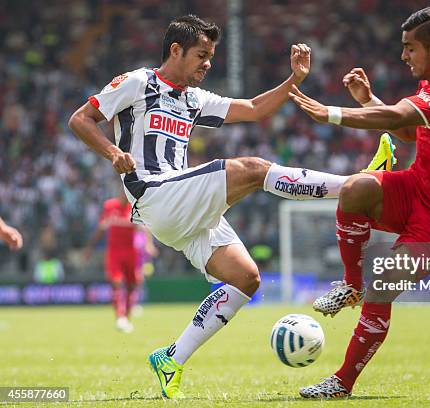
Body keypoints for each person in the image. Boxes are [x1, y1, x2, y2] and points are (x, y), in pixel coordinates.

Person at [68, 15, 393, 399]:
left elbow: (254, 108)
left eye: (211, 56)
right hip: (155, 195)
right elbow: (81, 119)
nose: (208, 64)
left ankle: (172, 358)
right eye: (201, 55)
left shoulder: (193, 99)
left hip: (182, 206)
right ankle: (358, 184)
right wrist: (112, 151)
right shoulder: (138, 82)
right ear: (176, 50)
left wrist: (294, 81)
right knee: (253, 169)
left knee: (246, 278)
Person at [289, 7, 430, 398]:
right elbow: (406, 131)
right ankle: (350, 286)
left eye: (410, 48)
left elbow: (399, 115)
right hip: (418, 188)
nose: (404, 56)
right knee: (355, 189)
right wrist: (368, 99)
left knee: (382, 282)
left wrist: (332, 113)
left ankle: (342, 382)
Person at [83, 189, 157, 333]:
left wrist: (149, 244)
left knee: (132, 285)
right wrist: (89, 248)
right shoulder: (110, 206)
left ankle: (126, 318)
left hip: (131, 251)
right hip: (114, 251)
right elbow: (100, 228)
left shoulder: (134, 206)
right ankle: (120, 317)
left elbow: (144, 227)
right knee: (116, 282)